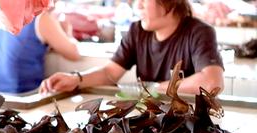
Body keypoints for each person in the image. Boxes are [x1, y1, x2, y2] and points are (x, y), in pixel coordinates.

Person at [39, 0, 225, 95]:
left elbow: (211, 83)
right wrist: (76, 79)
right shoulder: (137, 30)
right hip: (150, 117)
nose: (138, 6)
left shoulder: (199, 32)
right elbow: (110, 73)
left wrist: (153, 88)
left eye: (145, 0)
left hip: (187, 121)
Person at [0, 3, 80, 94]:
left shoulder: (0, 10)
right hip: (21, 95)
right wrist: (68, 31)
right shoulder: (40, 17)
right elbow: (73, 54)